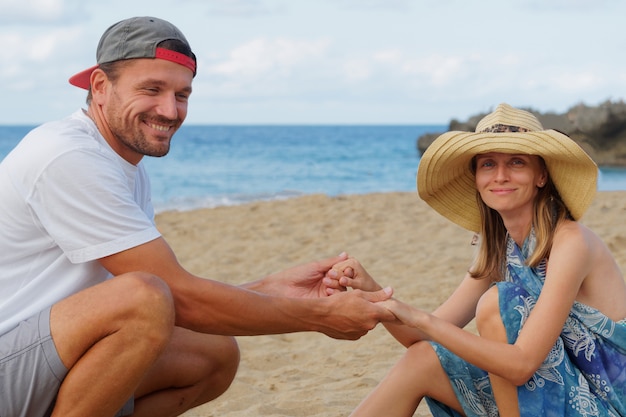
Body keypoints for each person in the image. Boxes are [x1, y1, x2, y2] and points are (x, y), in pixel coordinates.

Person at [0, 16, 396, 417]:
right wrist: (319, 317)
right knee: (142, 296)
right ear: (100, 87)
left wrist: (271, 288)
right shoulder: (68, 156)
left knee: (213, 352)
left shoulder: (123, 164)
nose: (170, 110)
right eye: (151, 89)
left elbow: (172, 301)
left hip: (45, 355)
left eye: (182, 94)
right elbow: (169, 298)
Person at [326, 103, 626, 416]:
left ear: (541, 176)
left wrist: (421, 318)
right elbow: (418, 336)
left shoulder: (571, 242)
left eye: (516, 162)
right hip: (555, 395)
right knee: (423, 359)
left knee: (498, 302)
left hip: (604, 404)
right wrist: (374, 293)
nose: (500, 175)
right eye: (487, 164)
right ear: (476, 178)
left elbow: (522, 365)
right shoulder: (501, 247)